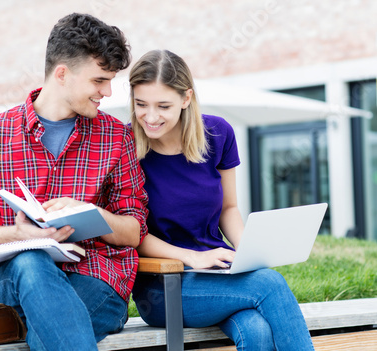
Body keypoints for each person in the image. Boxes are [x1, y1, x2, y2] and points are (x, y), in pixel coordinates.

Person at [0, 13, 149, 351]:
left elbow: (134, 231)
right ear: (62, 74)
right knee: (31, 259)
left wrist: (91, 212)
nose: (107, 91)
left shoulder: (116, 137)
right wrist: (19, 235)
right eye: (99, 80)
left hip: (97, 282)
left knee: (47, 326)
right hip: (17, 281)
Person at [129, 50, 314, 350]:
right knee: (270, 284)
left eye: (163, 106)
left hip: (217, 273)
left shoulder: (218, 134)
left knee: (256, 331)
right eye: (141, 104)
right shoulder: (126, 148)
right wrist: (191, 258)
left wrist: (247, 252)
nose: (150, 117)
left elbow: (229, 208)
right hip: (163, 287)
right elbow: (133, 233)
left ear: (186, 98)